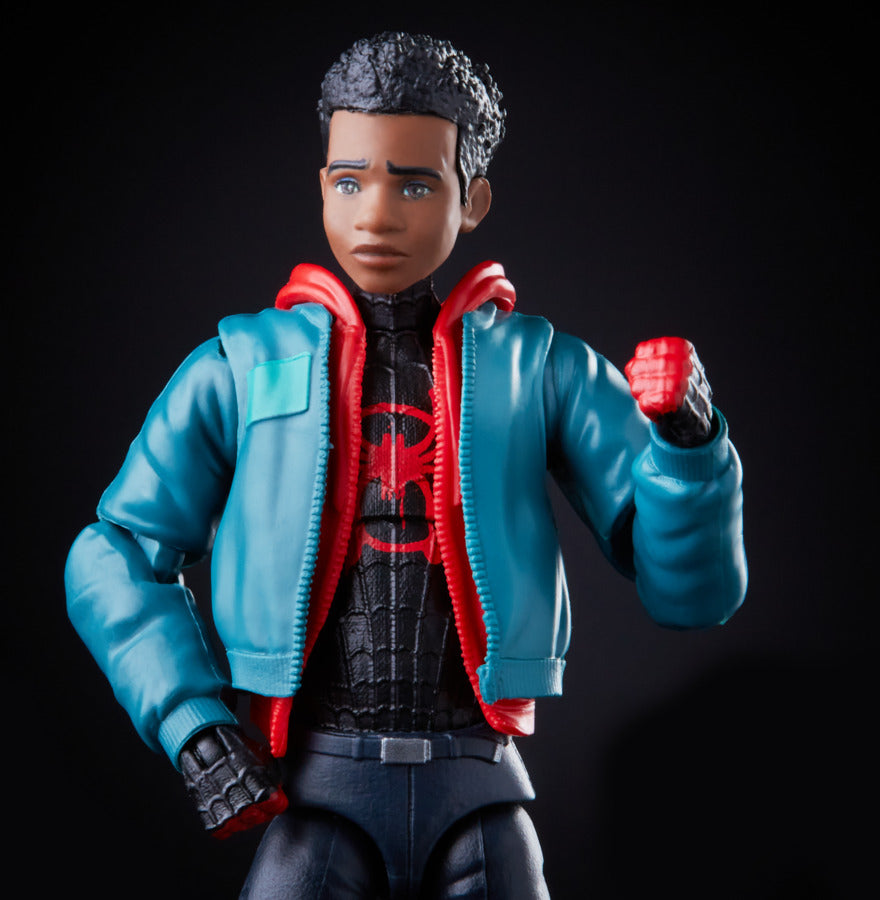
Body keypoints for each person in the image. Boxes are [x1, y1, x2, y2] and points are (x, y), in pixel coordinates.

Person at [65, 32, 747, 898]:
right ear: (322, 185)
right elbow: (114, 550)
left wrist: (687, 442)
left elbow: (691, 591)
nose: (377, 215)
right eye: (351, 182)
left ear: (474, 199)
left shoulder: (536, 368)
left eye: (415, 183)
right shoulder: (243, 366)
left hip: (478, 779)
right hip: (317, 783)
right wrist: (192, 721)